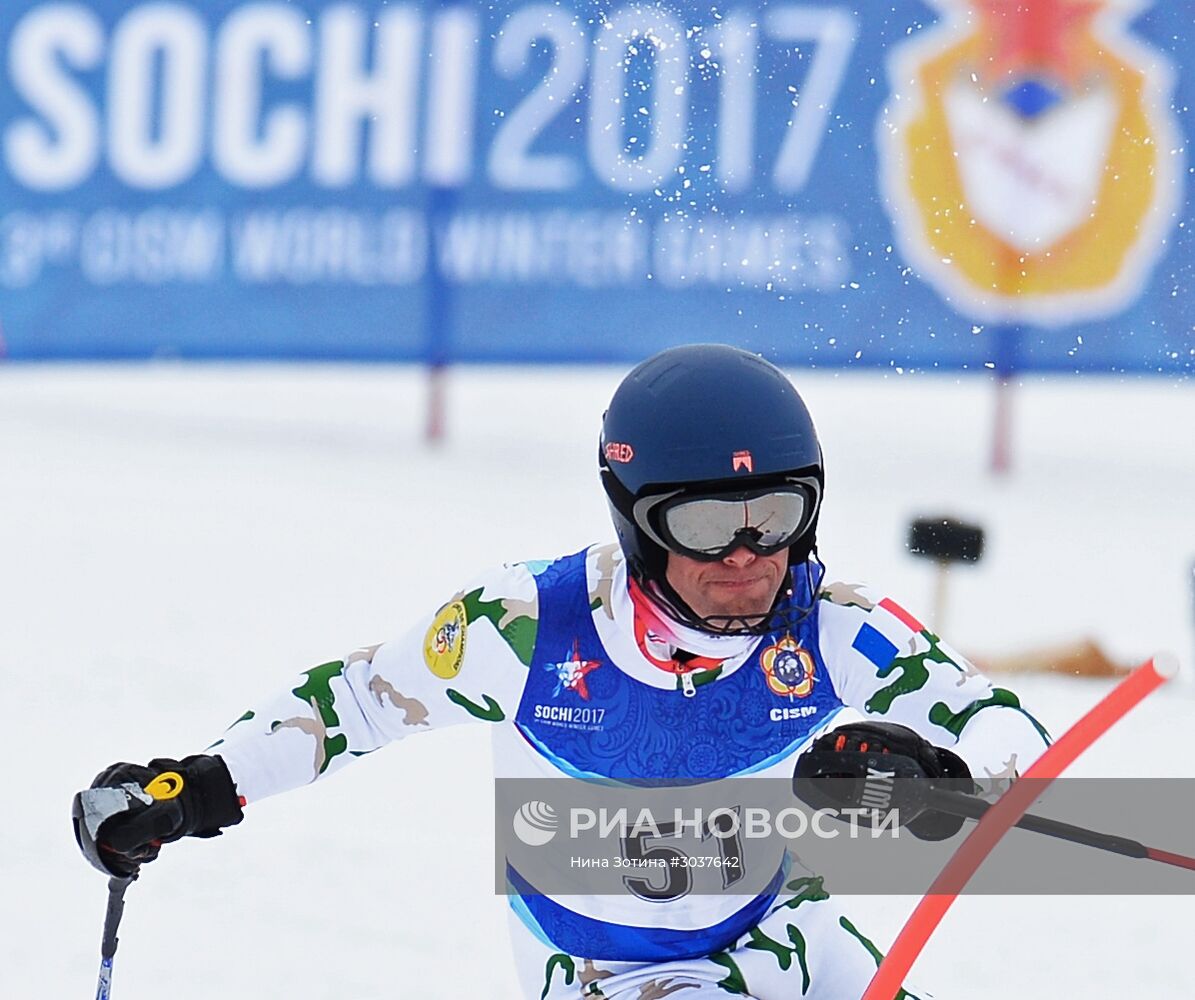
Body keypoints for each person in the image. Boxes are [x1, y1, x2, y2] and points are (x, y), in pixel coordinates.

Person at [73, 344, 1050, 999]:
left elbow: (1007, 729)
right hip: (604, 967)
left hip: (788, 931)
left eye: (780, 513)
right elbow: (357, 704)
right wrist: (197, 785)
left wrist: (942, 784)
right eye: (707, 523)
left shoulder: (828, 626)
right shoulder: (529, 624)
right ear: (633, 514)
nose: (748, 554)